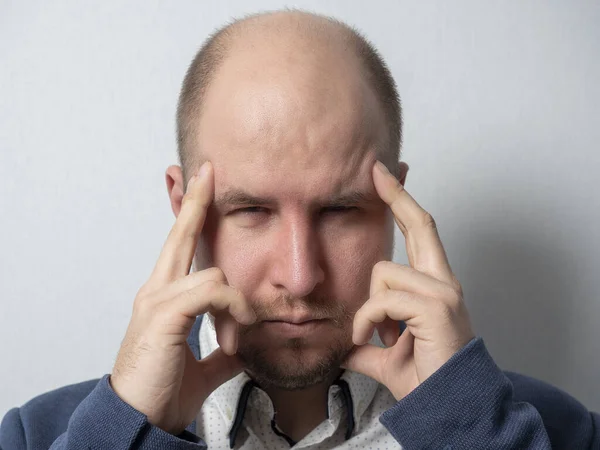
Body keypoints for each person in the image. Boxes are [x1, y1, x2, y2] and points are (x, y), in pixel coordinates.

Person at [1, 8, 599, 450]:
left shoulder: (561, 433)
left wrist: (468, 429)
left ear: (398, 203)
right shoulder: (36, 436)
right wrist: (125, 431)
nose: (300, 275)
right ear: (184, 207)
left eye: (340, 211)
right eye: (252, 211)